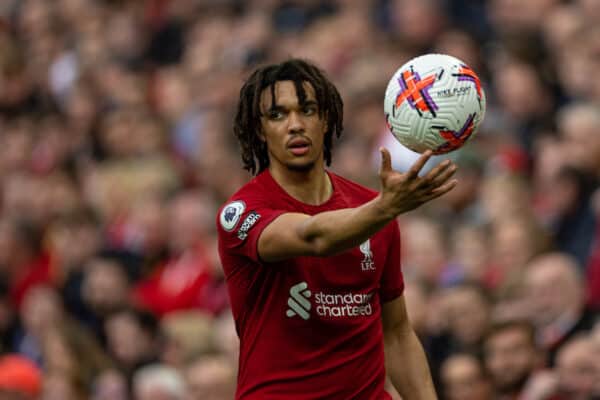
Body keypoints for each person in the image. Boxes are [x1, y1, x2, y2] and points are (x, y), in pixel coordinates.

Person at [216, 59, 457, 399]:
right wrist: (385, 208)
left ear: (326, 119)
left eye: (308, 110)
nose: (295, 125)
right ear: (259, 129)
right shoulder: (241, 213)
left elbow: (397, 332)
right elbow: (314, 236)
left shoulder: (373, 208)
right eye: (278, 115)